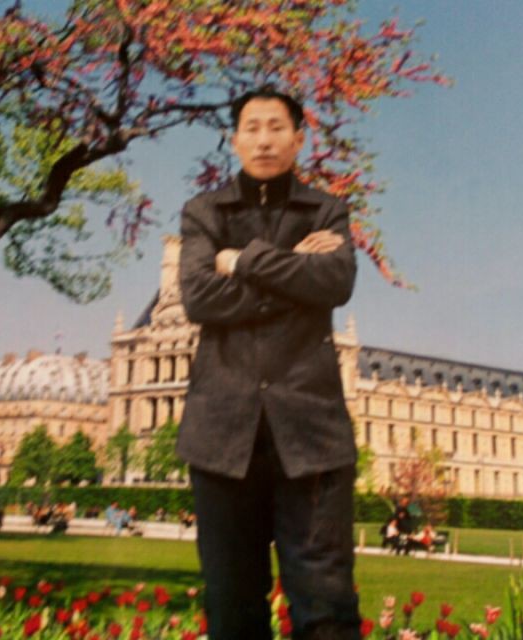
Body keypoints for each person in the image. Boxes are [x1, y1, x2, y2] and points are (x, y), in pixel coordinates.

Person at [177, 86, 359, 640]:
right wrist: (292, 272)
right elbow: (199, 298)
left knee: (325, 606)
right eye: (251, 128)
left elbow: (336, 281)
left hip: (311, 435)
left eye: (276, 127)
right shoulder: (204, 212)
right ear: (234, 140)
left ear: (299, 139)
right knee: (232, 606)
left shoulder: (326, 210)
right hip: (222, 436)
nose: (263, 140)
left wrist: (244, 261)